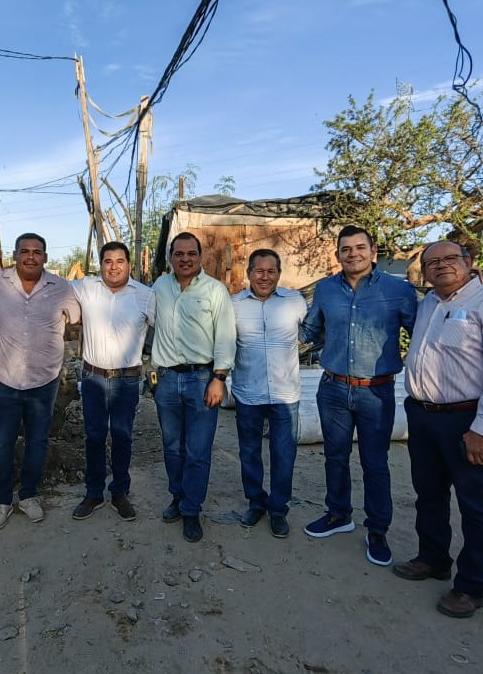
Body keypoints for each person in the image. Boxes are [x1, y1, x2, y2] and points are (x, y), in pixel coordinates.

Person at [395, 241, 483, 619]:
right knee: (429, 494)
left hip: (467, 420)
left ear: (469, 263)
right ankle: (433, 558)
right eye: (432, 262)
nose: (441, 266)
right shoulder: (430, 305)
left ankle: (471, 585)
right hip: (424, 415)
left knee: (475, 504)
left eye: (450, 259)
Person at [300, 225, 417, 567]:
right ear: (337, 254)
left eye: (359, 247)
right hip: (333, 388)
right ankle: (338, 514)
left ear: (373, 251)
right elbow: (309, 330)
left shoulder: (400, 291)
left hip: (375, 392)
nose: (353, 254)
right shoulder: (325, 290)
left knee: (375, 463)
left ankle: (377, 530)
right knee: (334, 457)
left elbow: (422, 333)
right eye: (346, 249)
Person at [0, 233, 80, 530]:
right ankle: (3, 501)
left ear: (45, 257)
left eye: (37, 252)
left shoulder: (61, 287)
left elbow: (78, 317)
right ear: (15, 255)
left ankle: (28, 495)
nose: (31, 257)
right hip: (3, 379)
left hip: (44, 381)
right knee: (2, 442)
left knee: (38, 441)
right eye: (25, 251)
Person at [152, 232, 236, 543]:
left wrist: (220, 377)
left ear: (200, 258)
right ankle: (177, 497)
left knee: (197, 451)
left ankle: (191, 510)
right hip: (167, 380)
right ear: (170, 257)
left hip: (203, 380)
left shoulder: (215, 291)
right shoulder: (159, 287)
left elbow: (226, 336)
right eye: (179, 254)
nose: (185, 259)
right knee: (172, 447)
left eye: (191, 254)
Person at [70, 241, 155, 522]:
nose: (114, 266)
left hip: (127, 381)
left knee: (122, 437)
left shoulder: (146, 296)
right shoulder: (85, 287)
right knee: (93, 436)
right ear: (101, 264)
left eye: (120, 261)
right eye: (108, 261)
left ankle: (119, 492)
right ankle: (93, 493)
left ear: (129, 265)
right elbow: (52, 289)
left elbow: (166, 329)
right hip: (93, 377)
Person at [231, 249, 308, 539]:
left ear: (279, 273)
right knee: (249, 451)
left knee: (284, 453)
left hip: (285, 394)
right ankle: (255, 502)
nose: (265, 277)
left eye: (271, 271)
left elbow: (314, 331)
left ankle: (278, 509)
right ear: (248, 273)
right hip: (247, 392)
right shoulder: (234, 305)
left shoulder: (295, 302)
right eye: (258, 271)